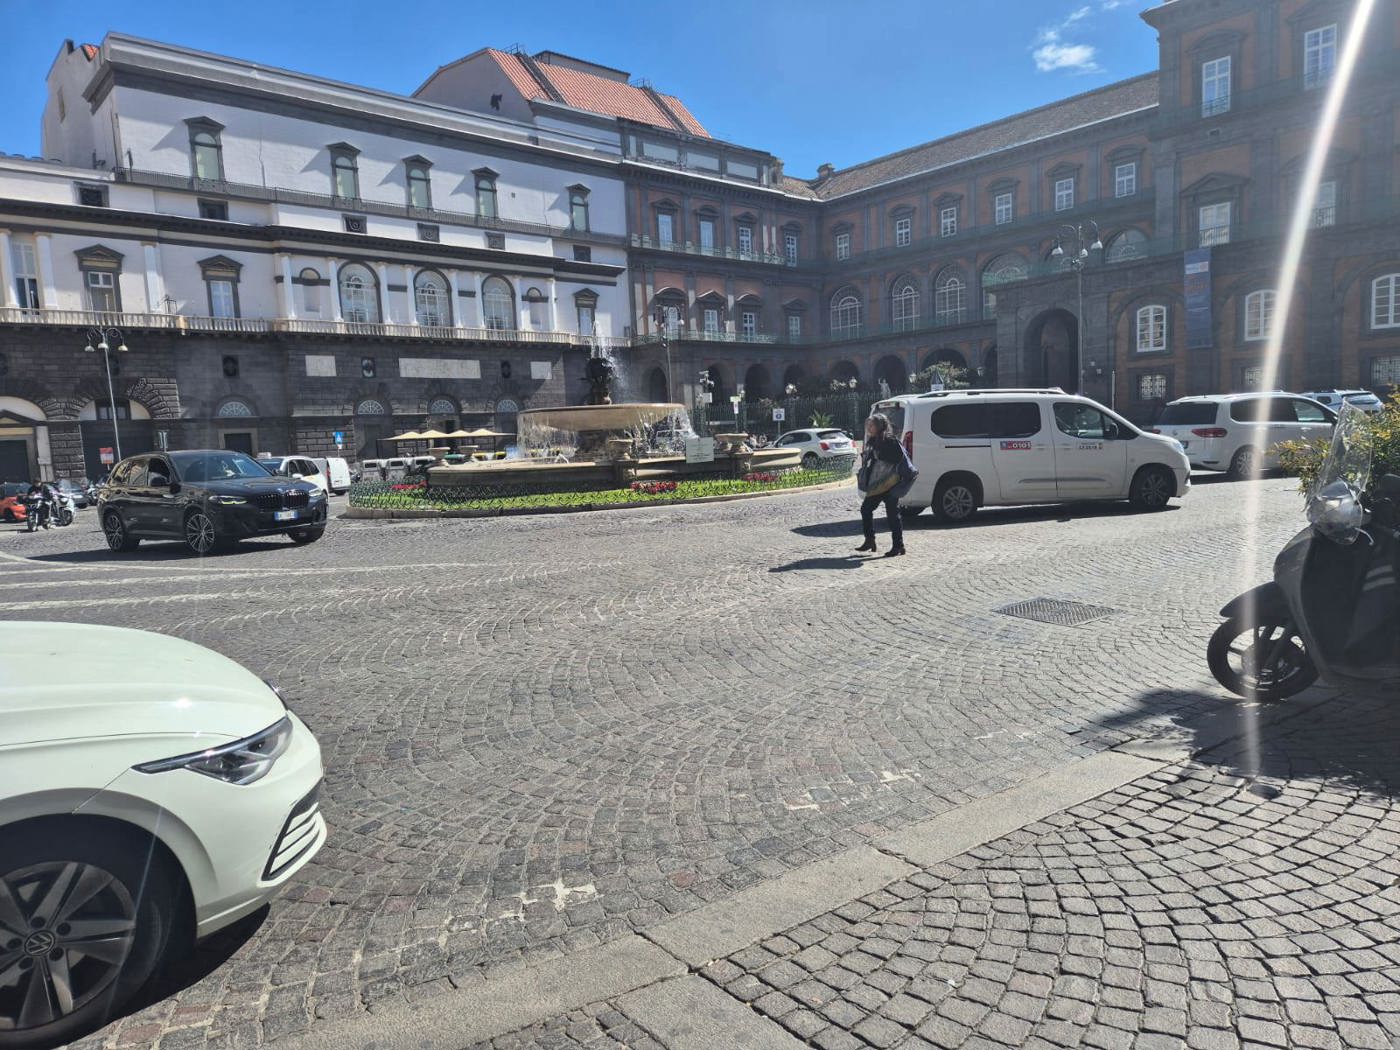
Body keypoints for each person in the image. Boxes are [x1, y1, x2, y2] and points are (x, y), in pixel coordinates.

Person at [856, 414, 906, 558]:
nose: (869, 428)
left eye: (871, 425)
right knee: (866, 509)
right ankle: (870, 540)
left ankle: (898, 546)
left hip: (890, 483)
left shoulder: (890, 440)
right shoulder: (872, 440)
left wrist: (878, 455)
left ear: (879, 426)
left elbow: (897, 457)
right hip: (877, 484)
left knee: (893, 515)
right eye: (868, 425)